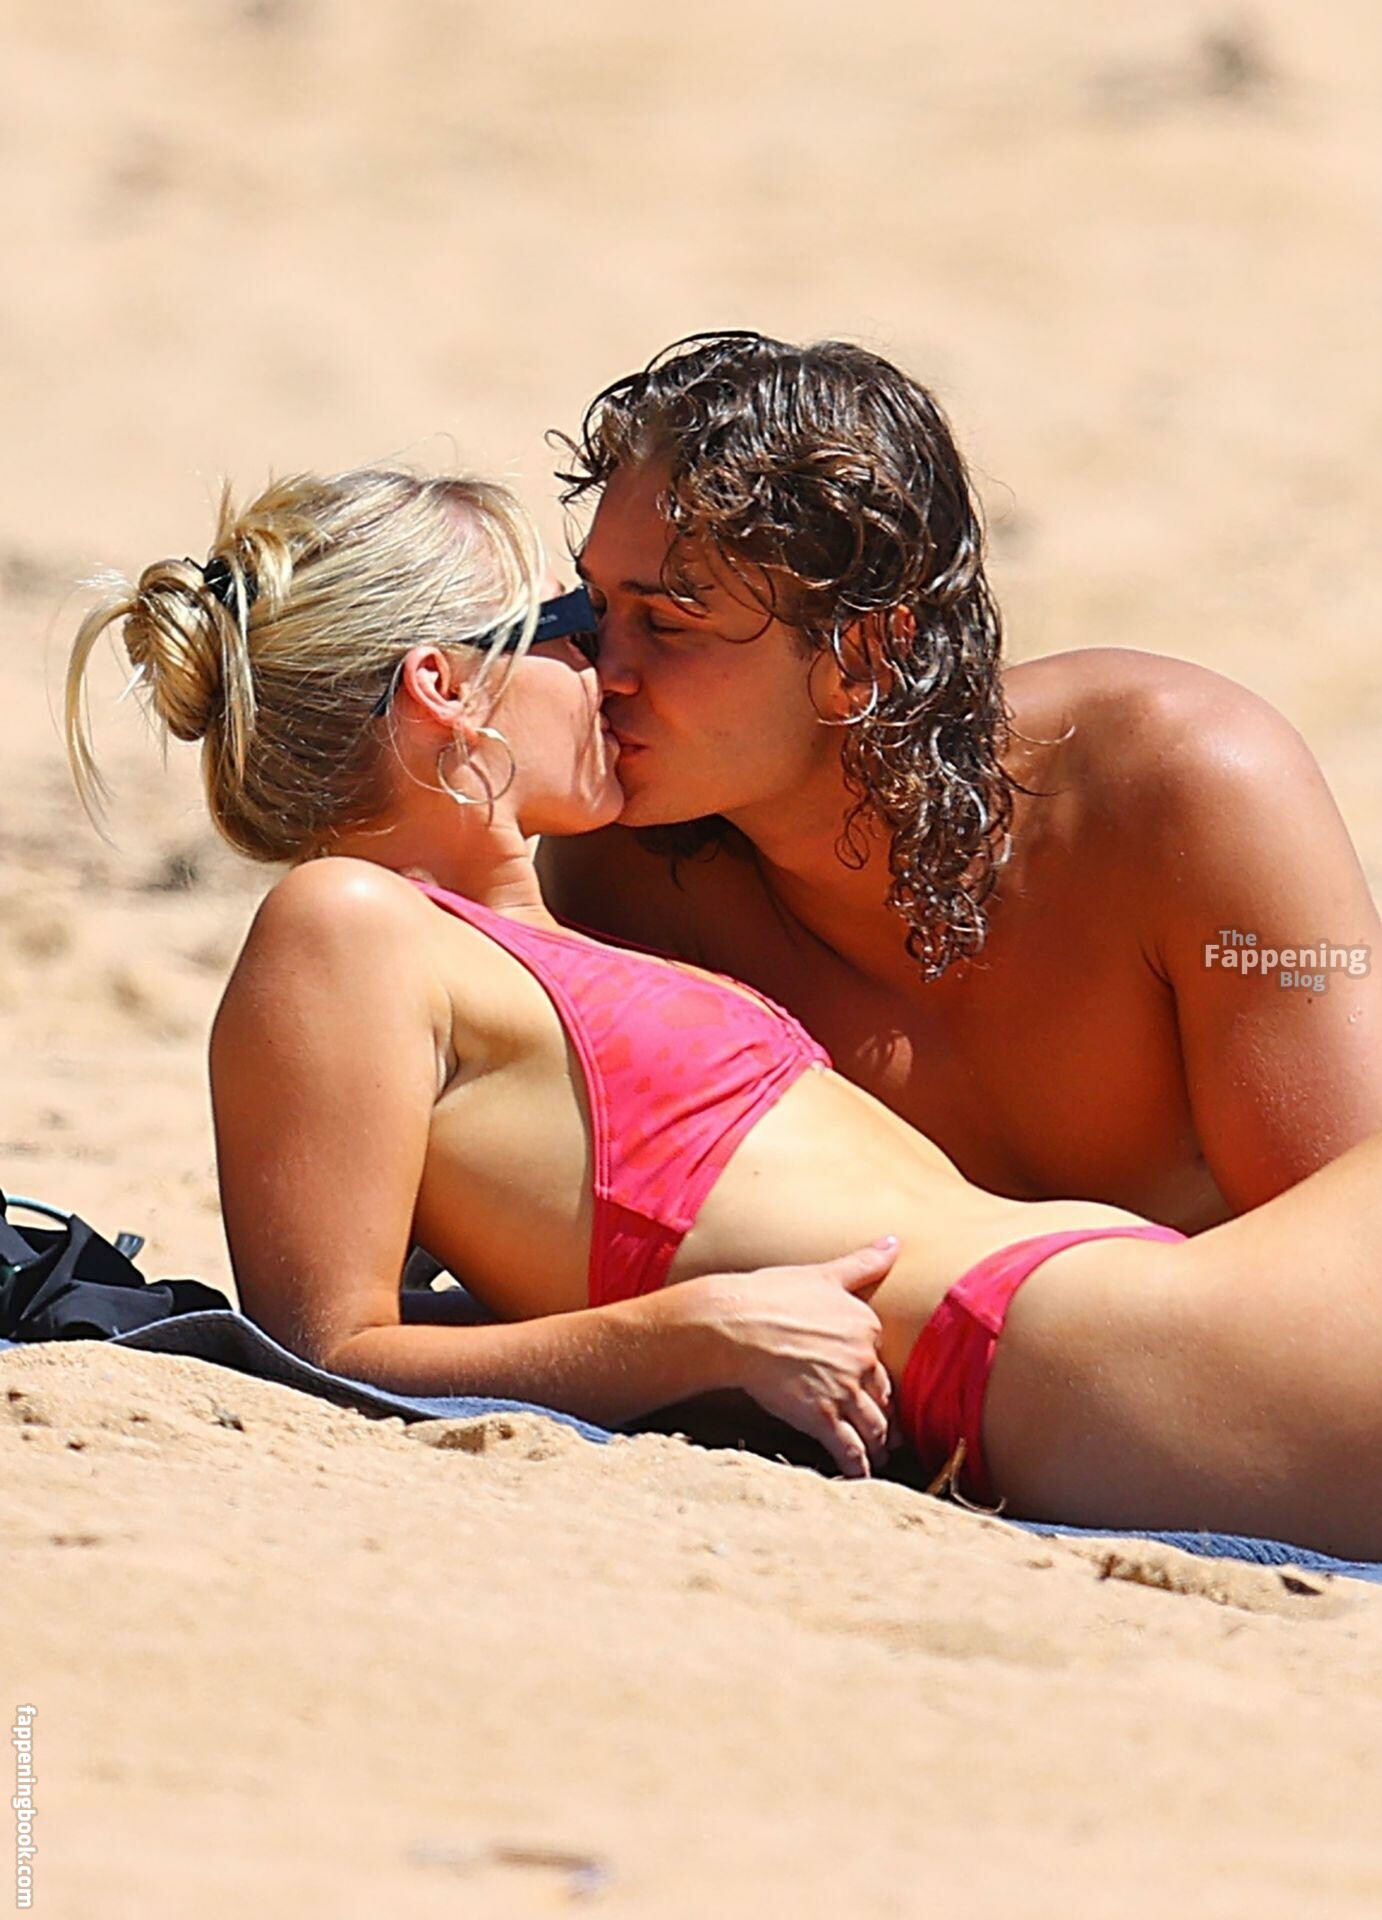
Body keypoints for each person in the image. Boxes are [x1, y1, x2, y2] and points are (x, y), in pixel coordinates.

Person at [66, 467, 1382, 1558]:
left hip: (1117, 1322)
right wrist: (682, 1340)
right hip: (1066, 1353)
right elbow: (324, 1347)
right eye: (574, 622)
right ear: (444, 689)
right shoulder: (344, 925)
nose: (612, 668)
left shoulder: (538, 936)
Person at [540, 332, 1382, 1232]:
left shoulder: (1181, 790)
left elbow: (1354, 1250)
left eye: (668, 623)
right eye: (597, 607)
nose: (603, 670)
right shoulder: (621, 874)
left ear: (862, 655)